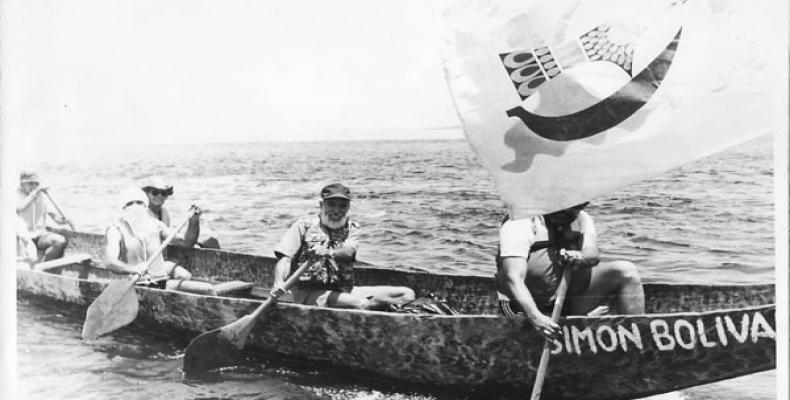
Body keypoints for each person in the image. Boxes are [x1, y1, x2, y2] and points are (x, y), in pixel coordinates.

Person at [496, 202, 644, 341]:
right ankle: (563, 319)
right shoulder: (520, 223)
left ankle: (637, 343)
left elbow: (592, 254)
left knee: (626, 272)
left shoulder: (581, 218)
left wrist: (580, 256)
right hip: (522, 307)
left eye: (575, 211)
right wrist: (536, 318)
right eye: (565, 211)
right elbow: (513, 278)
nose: (570, 216)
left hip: (565, 301)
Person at [271, 183, 415, 309]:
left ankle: (385, 308)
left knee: (407, 294)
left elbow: (348, 252)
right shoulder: (302, 227)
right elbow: (285, 259)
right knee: (361, 304)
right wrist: (279, 283)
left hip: (342, 290)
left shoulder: (352, 228)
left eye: (342, 205)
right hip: (308, 293)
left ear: (348, 207)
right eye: (331, 204)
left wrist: (327, 252)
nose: (337, 210)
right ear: (321, 205)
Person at [104, 187, 215, 295]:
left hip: (160, 282)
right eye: (129, 203)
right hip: (135, 286)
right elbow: (110, 262)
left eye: (138, 202)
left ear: (144, 205)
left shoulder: (156, 225)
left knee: (206, 288)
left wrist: (194, 221)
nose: (135, 207)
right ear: (123, 208)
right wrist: (133, 269)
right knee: (207, 290)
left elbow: (186, 243)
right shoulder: (115, 230)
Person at [141, 176, 220, 249]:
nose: (159, 196)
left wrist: (194, 220)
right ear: (147, 194)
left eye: (163, 193)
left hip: (164, 249)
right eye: (155, 192)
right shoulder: (144, 214)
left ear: (166, 196)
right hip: (150, 253)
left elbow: (184, 242)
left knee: (212, 242)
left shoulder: (164, 212)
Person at [16, 171, 71, 261]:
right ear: (22, 184)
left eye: (36, 184)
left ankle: (44, 269)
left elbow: (54, 217)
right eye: (30, 183)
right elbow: (19, 208)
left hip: (40, 235)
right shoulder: (16, 194)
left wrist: (63, 221)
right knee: (28, 254)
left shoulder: (41, 195)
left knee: (60, 241)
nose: (33, 186)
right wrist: (34, 193)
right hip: (22, 238)